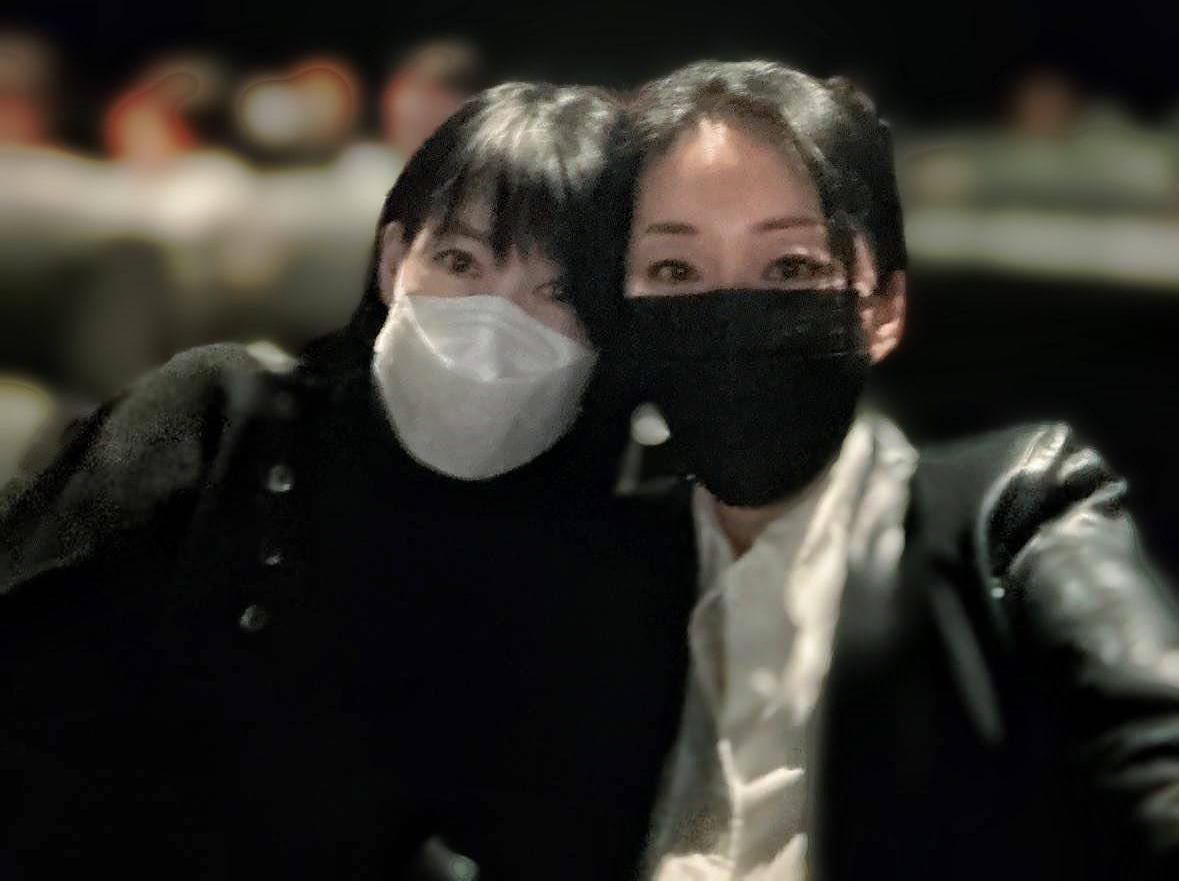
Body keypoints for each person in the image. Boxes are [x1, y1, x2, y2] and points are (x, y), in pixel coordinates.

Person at [0, 81, 689, 880]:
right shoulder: (220, 422)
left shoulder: (605, 555)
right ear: (395, 261)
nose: (493, 320)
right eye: (459, 262)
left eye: (559, 290)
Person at [599, 60, 1179, 881]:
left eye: (789, 268)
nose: (729, 315)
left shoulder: (1010, 515)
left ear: (880, 305)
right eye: (674, 271)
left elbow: (1168, 757)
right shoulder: (594, 554)